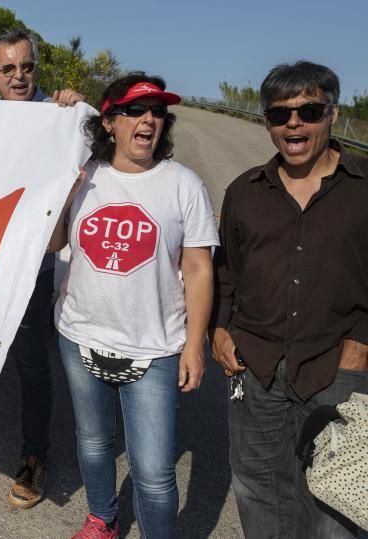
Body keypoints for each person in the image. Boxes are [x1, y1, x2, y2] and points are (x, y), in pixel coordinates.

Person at [47, 74, 217, 538]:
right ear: (108, 122)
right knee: (94, 442)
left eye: (157, 112)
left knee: (155, 474)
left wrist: (194, 345)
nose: (148, 120)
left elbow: (200, 270)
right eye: (135, 111)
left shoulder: (183, 184)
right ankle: (102, 517)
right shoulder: (84, 177)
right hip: (79, 335)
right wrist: (61, 199)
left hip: (156, 348)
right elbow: (55, 242)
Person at [211, 61, 368, 538]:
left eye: (309, 111)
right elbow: (227, 274)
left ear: (332, 114)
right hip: (254, 369)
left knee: (335, 502)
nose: (294, 123)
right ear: (268, 124)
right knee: (259, 488)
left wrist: (360, 345)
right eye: (281, 115)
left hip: (337, 370)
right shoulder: (244, 192)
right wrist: (219, 330)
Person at [0, 29, 84, 510]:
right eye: (9, 69)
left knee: (30, 364)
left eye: (28, 67)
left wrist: (80, 115)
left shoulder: (58, 116)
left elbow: (104, 150)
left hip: (32, 266)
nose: (20, 77)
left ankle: (35, 456)